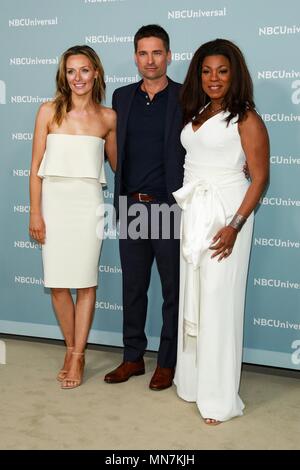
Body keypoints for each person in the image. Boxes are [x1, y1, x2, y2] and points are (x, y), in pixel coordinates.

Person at [172, 39, 269, 423]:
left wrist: (234, 226)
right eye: (207, 71)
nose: (214, 78)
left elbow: (259, 178)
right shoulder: (197, 110)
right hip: (195, 215)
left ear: (235, 75)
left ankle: (219, 398)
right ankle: (193, 383)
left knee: (218, 305)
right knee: (193, 299)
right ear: (198, 75)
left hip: (227, 218)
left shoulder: (246, 118)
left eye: (222, 71)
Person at [29, 45, 116, 389]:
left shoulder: (109, 118)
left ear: (96, 73)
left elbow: (120, 162)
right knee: (58, 284)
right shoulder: (48, 111)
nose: (77, 78)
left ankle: (77, 356)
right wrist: (36, 211)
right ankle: (71, 348)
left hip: (88, 204)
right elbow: (35, 169)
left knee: (86, 282)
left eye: (84, 70)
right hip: (54, 202)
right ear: (63, 76)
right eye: (71, 71)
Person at [104, 25, 186, 390]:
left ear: (168, 55)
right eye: (143, 53)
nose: (150, 60)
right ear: (135, 56)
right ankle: (133, 358)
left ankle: (167, 363)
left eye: (157, 52)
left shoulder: (187, 97)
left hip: (170, 209)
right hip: (133, 208)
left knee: (173, 290)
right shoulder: (121, 98)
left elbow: (212, 136)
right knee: (133, 289)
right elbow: (112, 147)